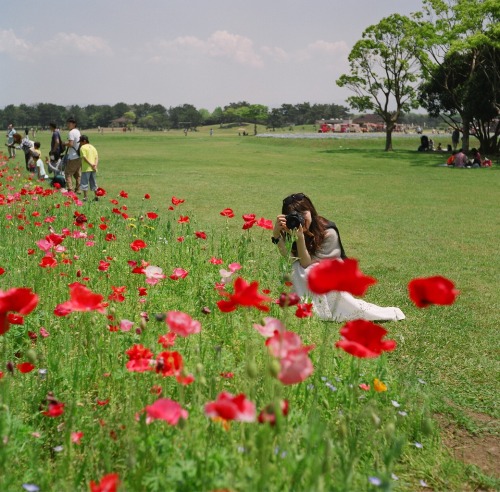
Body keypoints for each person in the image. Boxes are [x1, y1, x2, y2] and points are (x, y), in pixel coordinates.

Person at [272, 193, 405, 322]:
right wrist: (277, 235)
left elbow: (306, 264)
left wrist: (300, 238)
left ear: (311, 211)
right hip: (310, 272)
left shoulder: (327, 231)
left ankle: (316, 308)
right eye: (294, 215)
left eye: (303, 213)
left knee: (306, 270)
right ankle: (301, 304)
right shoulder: (290, 227)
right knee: (294, 268)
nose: (300, 218)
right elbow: (290, 259)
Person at [78, 135, 99, 202]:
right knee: (94, 182)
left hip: (86, 168)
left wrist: (90, 164)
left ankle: (85, 197)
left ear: (84, 141)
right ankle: (96, 196)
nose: (80, 143)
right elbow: (96, 157)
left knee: (84, 183)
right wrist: (95, 165)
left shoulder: (82, 148)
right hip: (93, 168)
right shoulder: (93, 147)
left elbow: (84, 157)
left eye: (80, 142)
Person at [64, 117, 81, 193]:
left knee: (67, 173)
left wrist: (64, 143)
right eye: (68, 123)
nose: (68, 125)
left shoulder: (71, 132)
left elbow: (70, 144)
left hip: (73, 156)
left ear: (74, 124)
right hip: (78, 155)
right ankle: (78, 189)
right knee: (77, 174)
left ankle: (70, 190)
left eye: (69, 123)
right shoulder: (78, 131)